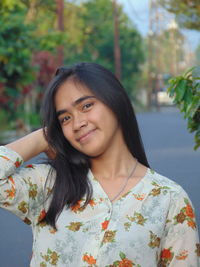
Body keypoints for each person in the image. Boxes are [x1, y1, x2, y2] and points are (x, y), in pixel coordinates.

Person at [0, 62, 199, 267]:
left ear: (115, 101)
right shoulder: (48, 183)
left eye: (86, 106)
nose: (78, 124)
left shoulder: (169, 200)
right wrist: (42, 137)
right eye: (65, 119)